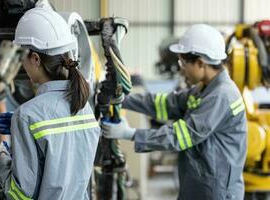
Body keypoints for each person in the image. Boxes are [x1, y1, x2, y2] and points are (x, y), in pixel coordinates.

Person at [101, 24, 247, 200]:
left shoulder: (221, 96)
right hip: (199, 182)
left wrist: (130, 134)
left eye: (183, 63)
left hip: (215, 190)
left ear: (201, 63)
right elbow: (167, 104)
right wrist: (122, 99)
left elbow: (180, 136)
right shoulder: (205, 89)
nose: (181, 69)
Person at [0, 7, 100, 200]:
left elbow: (21, 195)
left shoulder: (27, 115)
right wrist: (24, 129)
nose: (21, 64)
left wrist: (2, 161)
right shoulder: (84, 105)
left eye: (21, 56)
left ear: (35, 59)